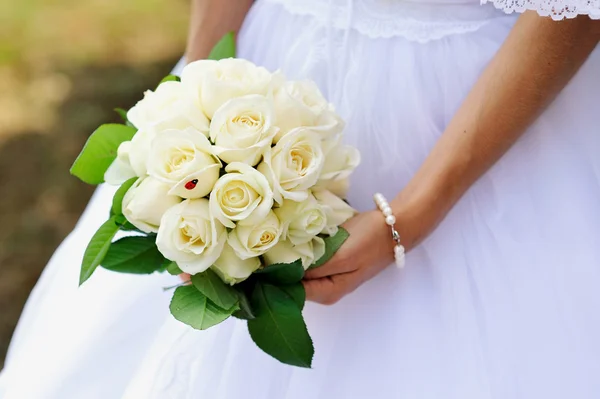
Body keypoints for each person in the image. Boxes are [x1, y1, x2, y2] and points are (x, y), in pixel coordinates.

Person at [1, 0, 600, 398]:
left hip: (470, 109)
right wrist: (193, 108)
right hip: (269, 64)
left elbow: (572, 14)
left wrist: (410, 215)